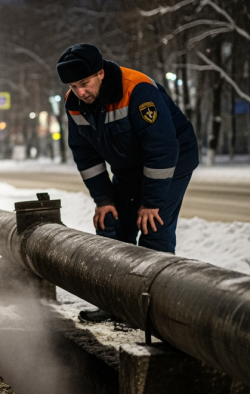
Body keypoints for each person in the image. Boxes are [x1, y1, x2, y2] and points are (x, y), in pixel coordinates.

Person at [56, 43, 198, 323]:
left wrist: (151, 203)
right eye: (73, 86)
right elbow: (85, 156)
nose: (80, 92)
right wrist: (104, 201)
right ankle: (112, 301)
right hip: (129, 165)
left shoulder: (138, 90)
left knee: (152, 228)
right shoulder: (74, 103)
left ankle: (150, 311)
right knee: (112, 224)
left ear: (100, 74)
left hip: (171, 161)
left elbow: (162, 148)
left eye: (84, 83)